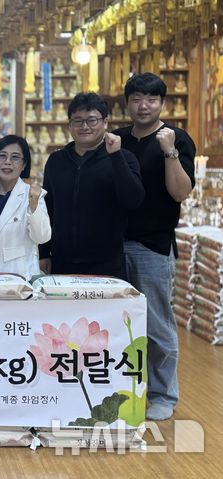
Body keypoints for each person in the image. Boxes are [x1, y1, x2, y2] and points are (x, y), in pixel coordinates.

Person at [114, 73, 196, 421]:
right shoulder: (117, 140)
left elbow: (180, 193)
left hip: (153, 246)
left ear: (162, 103)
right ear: (127, 103)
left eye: (151, 99)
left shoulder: (176, 138)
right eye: (136, 99)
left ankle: (163, 394)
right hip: (113, 245)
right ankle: (122, 391)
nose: (143, 106)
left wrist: (170, 152)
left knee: (157, 324)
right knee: (118, 325)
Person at [39, 92, 145, 280]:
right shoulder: (56, 161)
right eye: (78, 121)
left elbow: (133, 200)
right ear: (69, 125)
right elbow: (47, 209)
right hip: (62, 262)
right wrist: (44, 252)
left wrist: (116, 156)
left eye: (92, 120)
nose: (85, 126)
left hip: (107, 263)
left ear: (105, 123)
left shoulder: (123, 157)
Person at [0, 135, 51, 279]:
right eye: (2, 156)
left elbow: (42, 237)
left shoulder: (32, 194)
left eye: (15, 157)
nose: (7, 162)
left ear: (24, 165)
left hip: (20, 278)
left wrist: (33, 206)